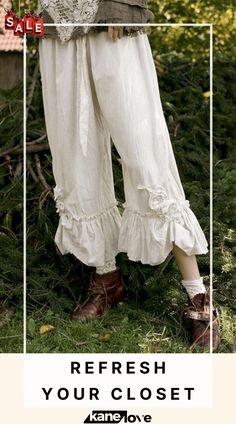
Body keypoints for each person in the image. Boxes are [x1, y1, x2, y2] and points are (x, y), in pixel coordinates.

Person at [37, 0, 220, 350]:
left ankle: (199, 299)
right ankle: (107, 278)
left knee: (146, 154)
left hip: (111, 14)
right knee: (74, 157)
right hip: (56, 24)